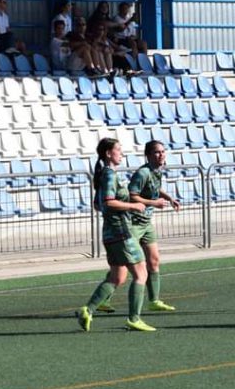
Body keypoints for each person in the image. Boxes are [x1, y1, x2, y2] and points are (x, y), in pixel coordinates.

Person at [76, 138, 156, 333]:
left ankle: (87, 310)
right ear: (108, 154)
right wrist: (133, 205)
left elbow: (98, 204)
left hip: (110, 232)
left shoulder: (104, 175)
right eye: (118, 150)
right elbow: (108, 202)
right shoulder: (110, 175)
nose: (122, 153)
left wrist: (123, 207)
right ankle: (134, 319)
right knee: (141, 273)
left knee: (117, 276)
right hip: (122, 232)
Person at [126, 140, 181, 312]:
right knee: (122, 267)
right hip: (134, 222)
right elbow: (131, 195)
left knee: (154, 260)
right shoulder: (142, 173)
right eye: (157, 152)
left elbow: (156, 189)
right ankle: (105, 299)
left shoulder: (158, 171)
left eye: (163, 151)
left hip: (146, 222)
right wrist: (153, 202)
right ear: (148, 155)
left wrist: (169, 198)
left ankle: (154, 301)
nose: (161, 155)